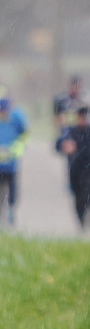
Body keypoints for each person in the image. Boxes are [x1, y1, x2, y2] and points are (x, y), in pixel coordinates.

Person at [56, 104, 90, 230]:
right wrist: (64, 146)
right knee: (77, 194)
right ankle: (81, 220)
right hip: (75, 167)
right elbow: (59, 144)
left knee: (88, 191)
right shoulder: (71, 131)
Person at [0, 88, 26, 228]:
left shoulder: (16, 118)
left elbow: (24, 136)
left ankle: (11, 211)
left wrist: (16, 150)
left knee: (12, 191)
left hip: (11, 164)